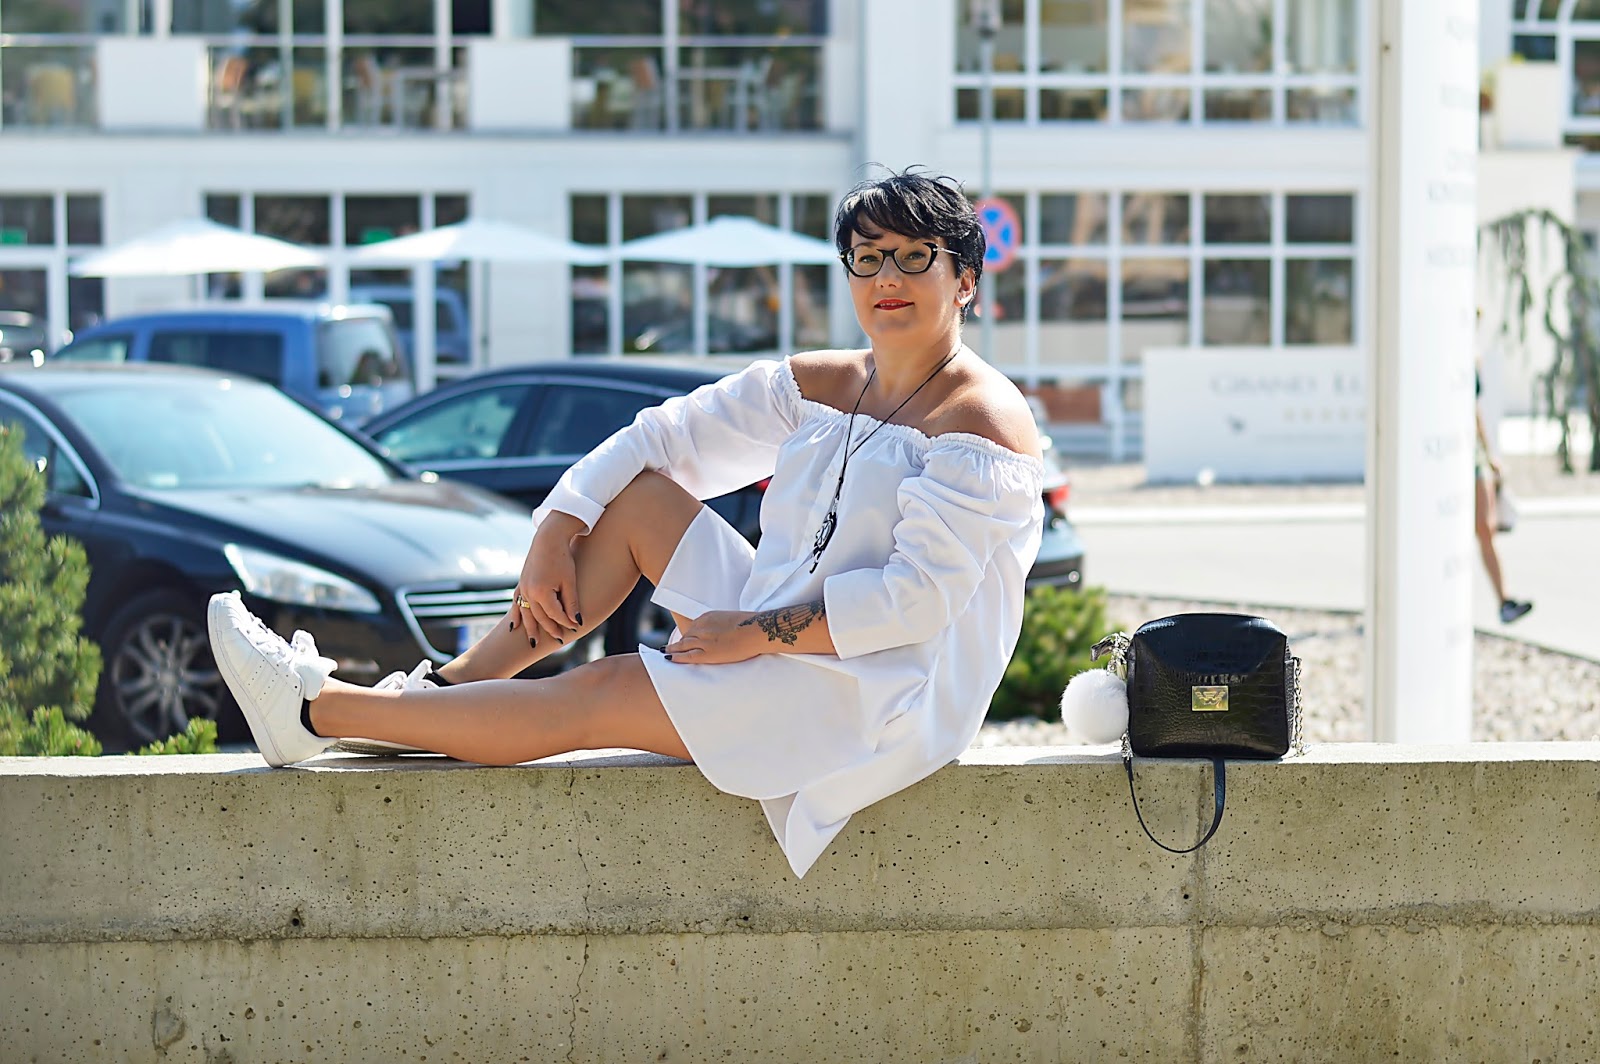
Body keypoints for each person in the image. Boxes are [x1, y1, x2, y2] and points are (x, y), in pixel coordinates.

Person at [206, 169, 1047, 879]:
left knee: (606, 689)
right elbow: (663, 437)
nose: (886, 277)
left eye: (914, 256)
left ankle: (318, 711)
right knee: (640, 499)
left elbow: (913, 603)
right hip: (779, 628)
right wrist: (556, 526)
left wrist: (751, 634)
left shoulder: (981, 421)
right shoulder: (827, 381)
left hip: (875, 692)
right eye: (867, 257)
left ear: (964, 279)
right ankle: (448, 691)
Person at [1475, 365, 1532, 624]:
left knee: (1487, 528)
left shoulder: (1473, 356)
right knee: (1482, 529)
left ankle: (1503, 600)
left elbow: (1474, 408)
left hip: (1473, 454)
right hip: (1450, 454)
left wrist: (1489, 454)